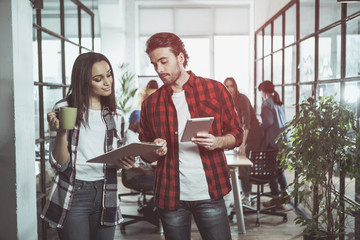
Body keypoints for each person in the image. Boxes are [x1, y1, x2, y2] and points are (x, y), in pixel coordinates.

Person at [139, 32, 243, 240]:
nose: (159, 69)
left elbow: (237, 135)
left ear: (180, 57)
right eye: (154, 64)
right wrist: (154, 149)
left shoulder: (215, 89)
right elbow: (145, 153)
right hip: (170, 197)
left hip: (210, 194)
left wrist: (218, 142)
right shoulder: (151, 104)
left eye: (163, 61)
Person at [40, 52, 136, 240]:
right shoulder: (64, 108)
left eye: (109, 75)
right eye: (98, 79)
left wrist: (124, 161)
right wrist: (60, 131)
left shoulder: (116, 115)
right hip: (73, 193)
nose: (108, 82)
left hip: (106, 191)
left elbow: (115, 157)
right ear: (84, 81)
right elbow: (59, 163)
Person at [223, 77, 263, 206]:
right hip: (243, 136)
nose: (229, 89)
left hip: (253, 136)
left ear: (235, 87)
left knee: (244, 163)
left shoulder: (242, 99)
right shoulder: (229, 101)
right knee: (239, 163)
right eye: (226, 86)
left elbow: (246, 125)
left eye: (231, 86)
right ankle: (244, 194)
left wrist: (242, 144)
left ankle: (247, 197)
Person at [258, 80, 289, 209]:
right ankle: (285, 193)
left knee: (271, 170)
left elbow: (268, 122)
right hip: (283, 140)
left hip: (273, 141)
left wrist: (260, 126)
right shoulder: (278, 102)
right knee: (279, 169)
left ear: (263, 91)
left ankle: (275, 199)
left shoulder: (266, 103)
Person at [122, 110, 154, 190]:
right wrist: (145, 171)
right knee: (163, 181)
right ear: (135, 122)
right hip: (134, 176)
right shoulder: (130, 139)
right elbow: (129, 163)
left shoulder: (132, 135)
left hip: (138, 174)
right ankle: (152, 203)